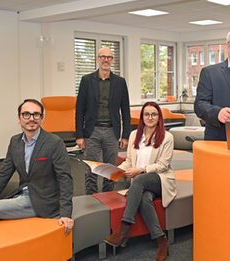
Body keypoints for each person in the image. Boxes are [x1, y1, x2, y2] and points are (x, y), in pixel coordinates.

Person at [0, 99, 74, 235]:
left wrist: (66, 213)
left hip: (43, 201)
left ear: (42, 118)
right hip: (23, 193)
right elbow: (3, 175)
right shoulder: (15, 142)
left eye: (36, 114)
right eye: (26, 114)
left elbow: (64, 178)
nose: (31, 119)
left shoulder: (54, 142)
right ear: (19, 118)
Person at [104, 102, 176, 261]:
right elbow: (129, 161)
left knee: (140, 180)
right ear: (142, 117)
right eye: (147, 114)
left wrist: (141, 171)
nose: (150, 117)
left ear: (159, 117)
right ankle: (161, 240)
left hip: (160, 179)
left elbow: (163, 166)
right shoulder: (134, 135)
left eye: (154, 114)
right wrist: (115, 171)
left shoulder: (167, 136)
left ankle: (123, 228)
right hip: (140, 183)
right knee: (144, 199)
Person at [75, 46, 131, 194]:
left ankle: (108, 197)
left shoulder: (120, 82)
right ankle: (91, 197)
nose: (106, 60)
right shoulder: (86, 80)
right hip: (92, 131)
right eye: (102, 57)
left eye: (109, 57)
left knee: (110, 170)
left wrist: (125, 135)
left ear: (112, 60)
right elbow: (79, 110)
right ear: (97, 59)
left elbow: (125, 110)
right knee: (91, 169)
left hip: (112, 131)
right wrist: (79, 135)